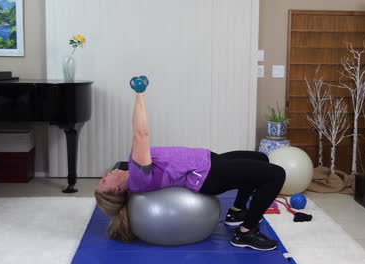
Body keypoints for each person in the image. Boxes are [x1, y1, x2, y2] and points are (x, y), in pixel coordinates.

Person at [95, 76, 286, 251]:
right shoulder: (137, 178)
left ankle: (237, 211)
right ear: (117, 190)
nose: (104, 176)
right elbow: (140, 134)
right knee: (277, 174)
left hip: (209, 160)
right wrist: (140, 95)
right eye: (104, 182)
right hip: (208, 175)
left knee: (260, 159)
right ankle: (246, 232)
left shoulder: (129, 168)